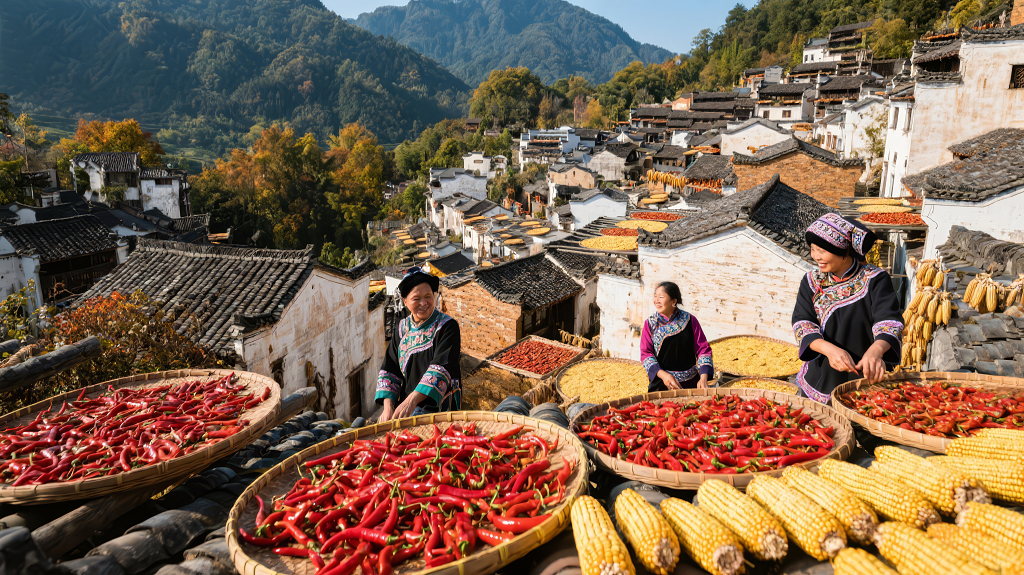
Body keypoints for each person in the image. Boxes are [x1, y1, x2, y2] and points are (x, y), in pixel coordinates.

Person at [792, 213, 903, 402]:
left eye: (822, 251)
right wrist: (828, 350)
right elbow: (803, 324)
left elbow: (889, 321)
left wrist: (876, 351)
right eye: (813, 249)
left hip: (863, 379)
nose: (816, 257)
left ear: (844, 252)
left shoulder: (874, 279)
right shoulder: (811, 281)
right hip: (820, 378)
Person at [376, 267, 462, 422]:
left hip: (440, 410)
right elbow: (390, 370)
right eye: (416, 299)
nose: (424, 303)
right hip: (408, 411)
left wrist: (412, 400)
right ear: (405, 301)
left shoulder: (447, 327)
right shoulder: (401, 329)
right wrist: (388, 407)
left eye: (428, 296)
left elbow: (441, 368)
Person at [640, 281, 714, 391]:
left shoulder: (690, 320)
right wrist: (664, 375)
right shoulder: (650, 324)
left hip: (692, 384)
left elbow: (703, 350)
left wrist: (703, 377)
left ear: (674, 301)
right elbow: (646, 354)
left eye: (661, 297)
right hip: (663, 385)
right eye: (655, 296)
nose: (656, 300)